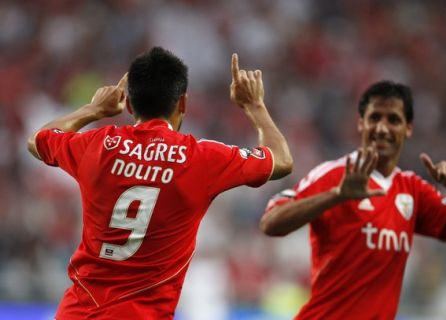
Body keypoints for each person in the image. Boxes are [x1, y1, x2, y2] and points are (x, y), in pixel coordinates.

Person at [27, 47, 293, 319]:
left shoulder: (98, 146)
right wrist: (254, 105)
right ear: (183, 104)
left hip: (77, 313)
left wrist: (93, 109)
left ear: (129, 105)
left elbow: (39, 139)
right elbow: (281, 161)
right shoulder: (201, 157)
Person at [260, 80, 446, 320]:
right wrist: (337, 195)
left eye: (393, 120)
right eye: (375, 118)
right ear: (360, 123)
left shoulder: (412, 188)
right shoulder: (335, 174)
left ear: (408, 128)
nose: (382, 128)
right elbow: (270, 222)